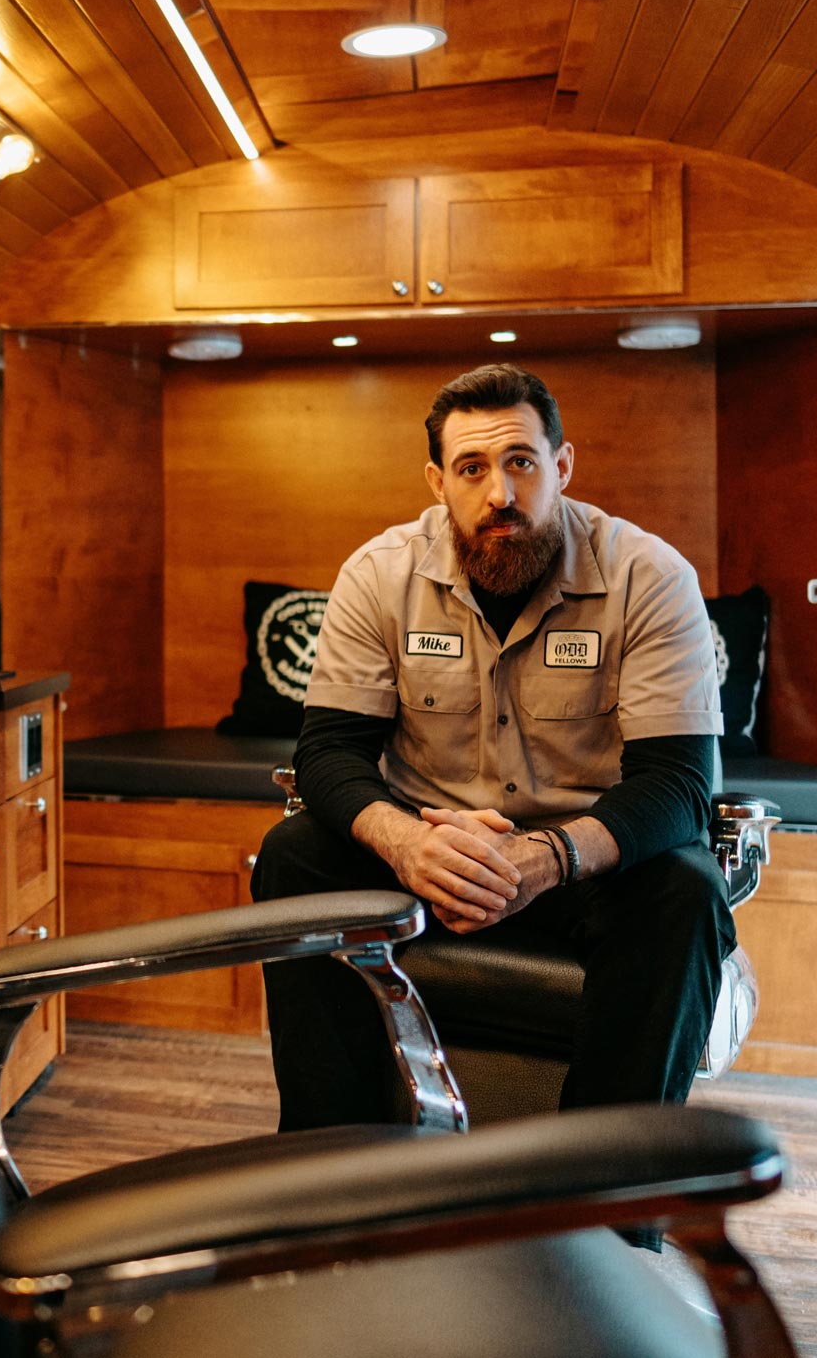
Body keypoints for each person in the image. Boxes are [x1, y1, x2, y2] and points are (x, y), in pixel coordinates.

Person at [253, 362, 731, 1131]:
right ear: (438, 481)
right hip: (430, 854)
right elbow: (329, 752)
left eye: (521, 463)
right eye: (472, 469)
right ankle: (332, 1166)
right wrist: (406, 843)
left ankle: (603, 1195)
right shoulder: (379, 574)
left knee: (685, 890)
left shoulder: (650, 575)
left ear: (562, 466)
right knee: (295, 853)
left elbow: (677, 784)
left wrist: (548, 857)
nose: (500, 495)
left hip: (584, 864)